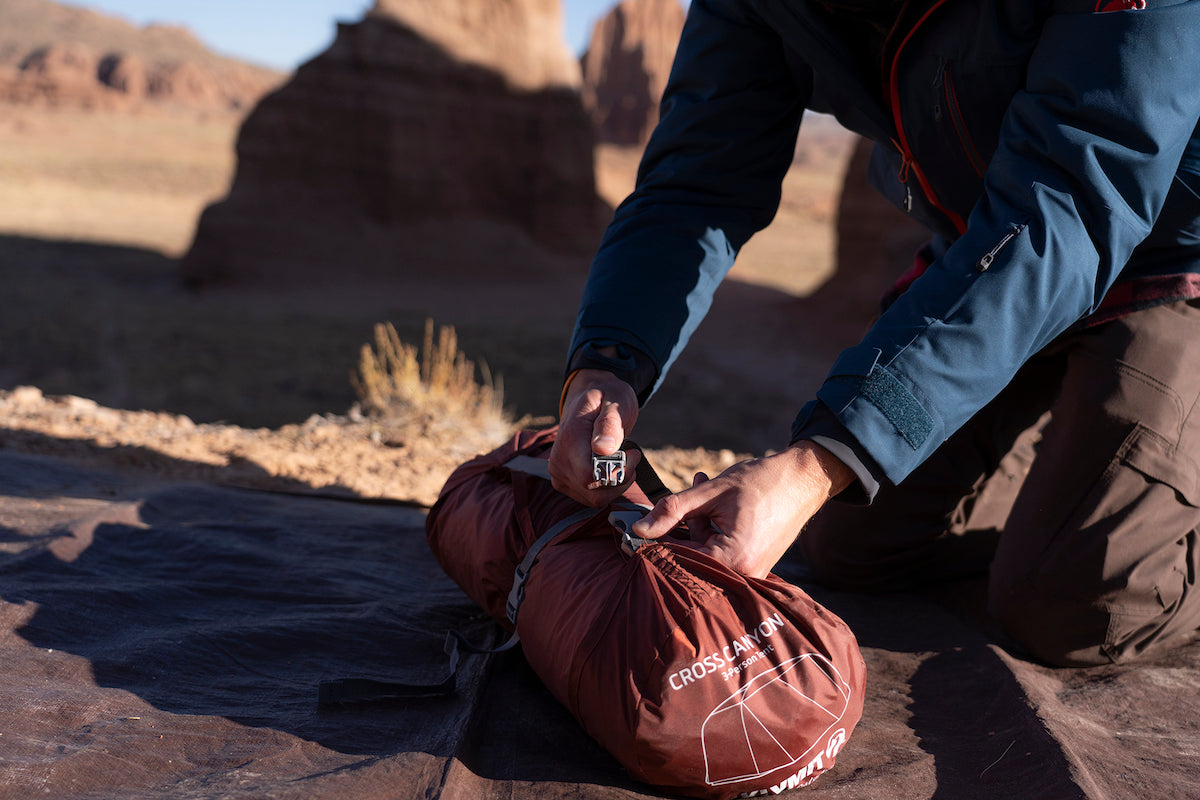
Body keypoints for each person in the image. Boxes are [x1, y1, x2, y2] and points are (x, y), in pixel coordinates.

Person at [548, 0, 1200, 667]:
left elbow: (1073, 203)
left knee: (1079, 603)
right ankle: (1080, 481)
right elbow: (696, 182)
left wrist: (811, 466)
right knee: (846, 540)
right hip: (990, 245)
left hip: (1172, 259)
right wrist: (607, 364)